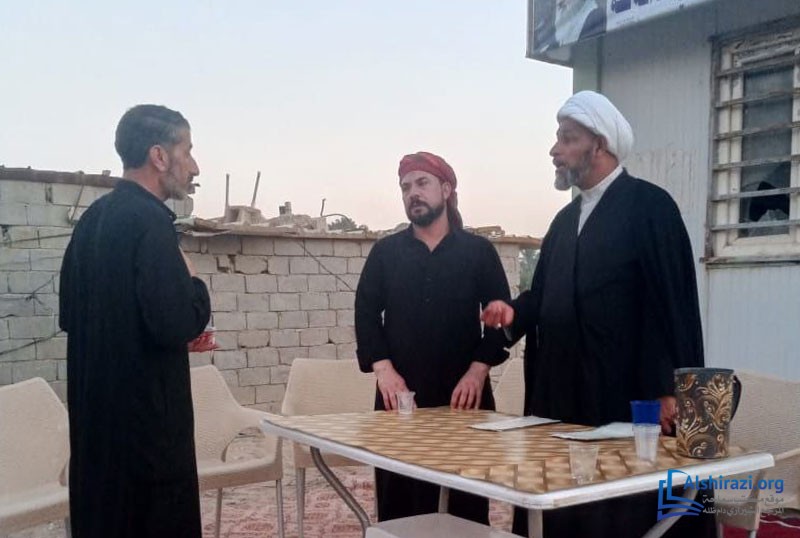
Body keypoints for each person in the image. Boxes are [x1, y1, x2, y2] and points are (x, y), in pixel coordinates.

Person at [481, 91, 711, 537]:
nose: (555, 150)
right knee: (563, 506)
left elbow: (672, 305)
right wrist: (512, 313)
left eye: (567, 138)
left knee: (622, 511)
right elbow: (544, 295)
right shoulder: (564, 222)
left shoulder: (651, 207)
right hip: (561, 398)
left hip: (625, 397)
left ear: (599, 145)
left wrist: (670, 388)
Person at [59, 105, 211, 538]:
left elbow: (73, 316)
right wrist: (196, 287)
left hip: (97, 443)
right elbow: (176, 322)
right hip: (149, 451)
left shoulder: (90, 222)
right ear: (159, 156)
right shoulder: (151, 223)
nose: (194, 166)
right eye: (188, 151)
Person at [355, 151, 511, 523]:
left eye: (422, 183)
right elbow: (365, 313)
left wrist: (478, 371)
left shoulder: (478, 252)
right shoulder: (385, 252)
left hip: (464, 398)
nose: (413, 193)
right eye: (405, 187)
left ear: (446, 189)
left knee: (465, 505)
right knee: (400, 505)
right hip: (400, 399)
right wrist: (383, 371)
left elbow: (500, 320)